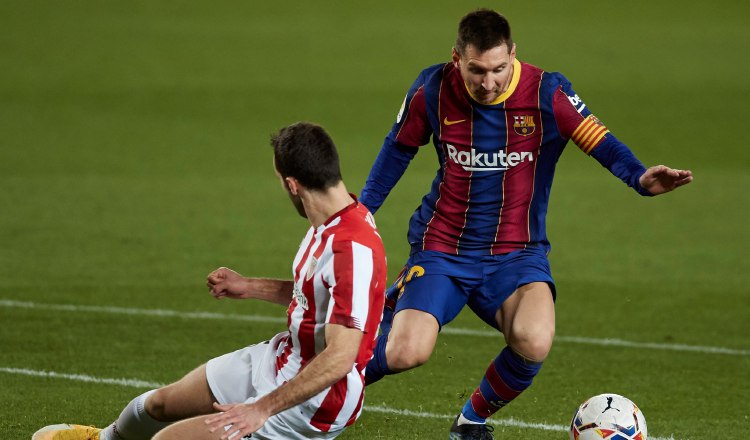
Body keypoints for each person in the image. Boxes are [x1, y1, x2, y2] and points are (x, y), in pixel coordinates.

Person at [359, 9, 693, 440]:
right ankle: (317, 389)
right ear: (456, 58)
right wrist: (362, 212)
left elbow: (599, 141)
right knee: (406, 352)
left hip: (517, 254)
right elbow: (397, 149)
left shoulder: (546, 92)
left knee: (534, 339)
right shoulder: (433, 89)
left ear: (513, 55)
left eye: (499, 69)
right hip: (443, 247)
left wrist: (641, 178)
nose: (488, 82)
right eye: (476, 70)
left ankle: (470, 423)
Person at [33, 122, 387, 440]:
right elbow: (315, 294)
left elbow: (342, 356)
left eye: (280, 181)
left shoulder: (351, 248)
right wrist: (249, 286)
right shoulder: (332, 219)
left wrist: (260, 409)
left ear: (293, 184)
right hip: (283, 358)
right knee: (160, 404)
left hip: (314, 402)